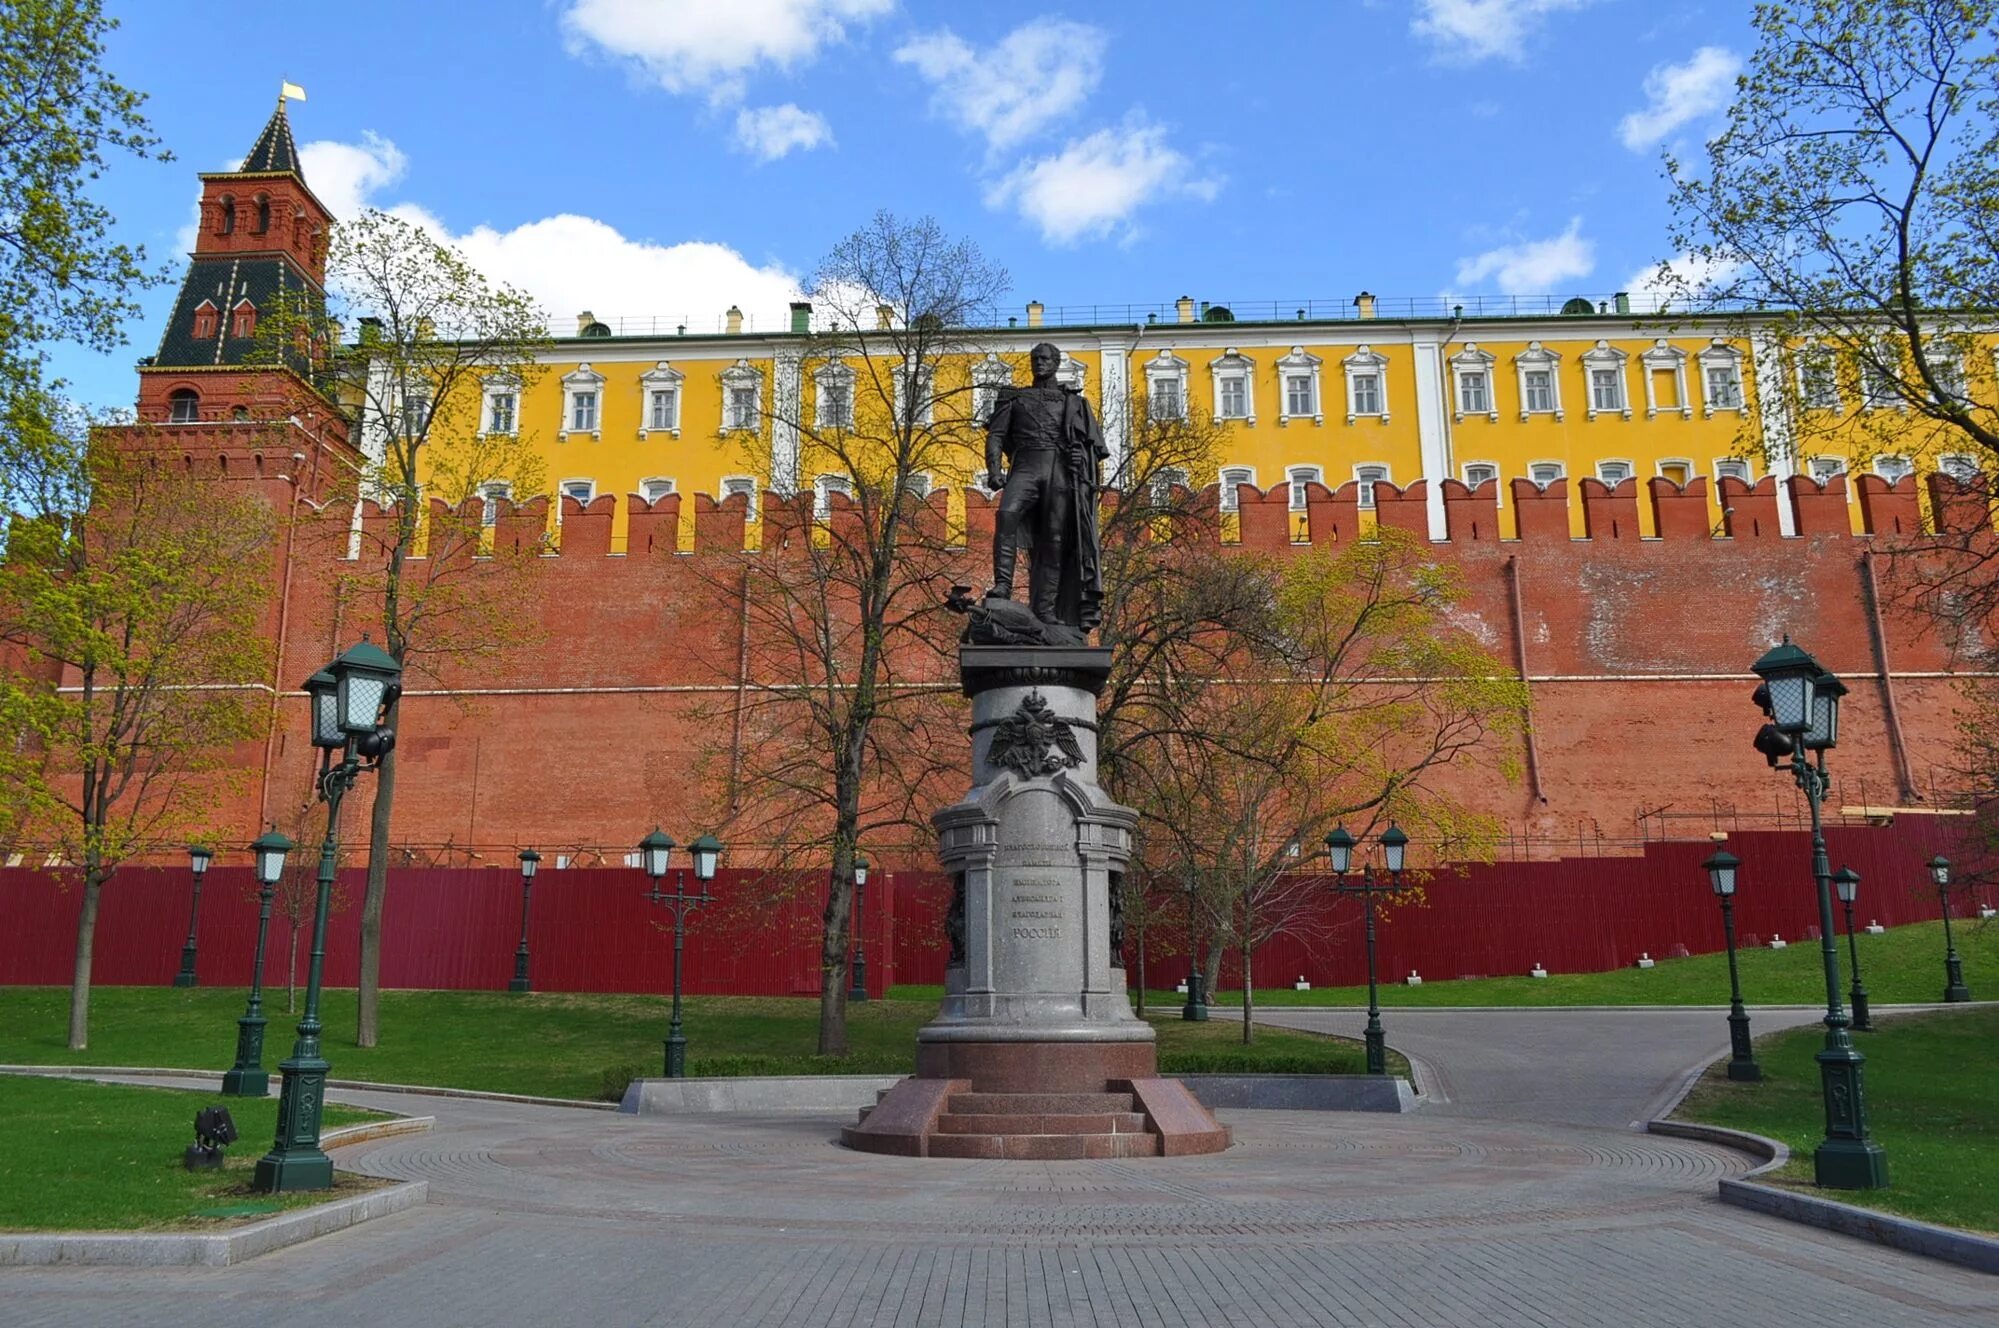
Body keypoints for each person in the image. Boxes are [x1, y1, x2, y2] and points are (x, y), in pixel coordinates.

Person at [984, 342, 1107, 632]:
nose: (1039, 362)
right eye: (1035, 358)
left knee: (1054, 538)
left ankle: (1046, 609)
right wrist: (994, 470)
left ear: (1056, 362)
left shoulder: (1073, 402)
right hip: (1025, 463)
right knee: (1007, 515)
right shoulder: (1014, 398)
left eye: (1045, 358)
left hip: (1059, 469)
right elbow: (996, 436)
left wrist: (1081, 456)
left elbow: (1093, 448)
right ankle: (1003, 586)